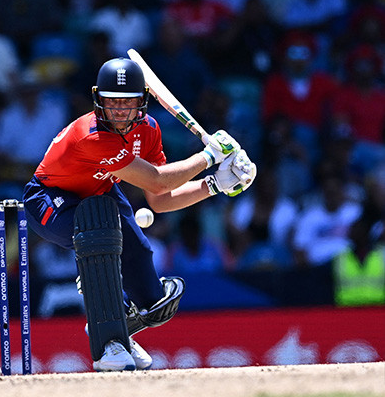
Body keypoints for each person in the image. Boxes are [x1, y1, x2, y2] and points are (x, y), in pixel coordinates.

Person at [22, 57, 257, 371]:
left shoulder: (149, 130)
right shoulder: (92, 135)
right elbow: (158, 180)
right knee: (98, 237)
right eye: (112, 102)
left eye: (128, 102)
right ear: (98, 100)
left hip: (100, 194)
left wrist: (214, 185)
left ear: (142, 102)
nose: (120, 110)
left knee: (153, 301)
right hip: (49, 200)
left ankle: (119, 326)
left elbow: (161, 199)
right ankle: (108, 339)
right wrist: (208, 156)